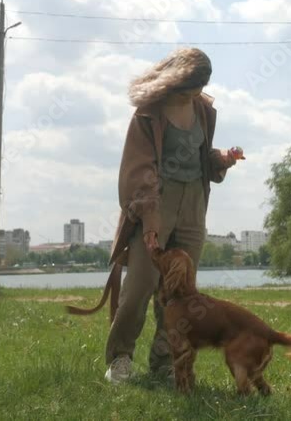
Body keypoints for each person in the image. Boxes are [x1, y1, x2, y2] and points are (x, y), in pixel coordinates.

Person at [90, 47, 241, 383]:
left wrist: (222, 159)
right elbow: (138, 169)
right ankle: (120, 359)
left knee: (180, 291)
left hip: (194, 203)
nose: (195, 95)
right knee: (140, 285)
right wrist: (149, 218)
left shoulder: (203, 109)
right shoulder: (148, 113)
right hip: (157, 201)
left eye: (200, 89)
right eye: (190, 89)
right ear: (176, 80)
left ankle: (164, 363)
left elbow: (200, 156)